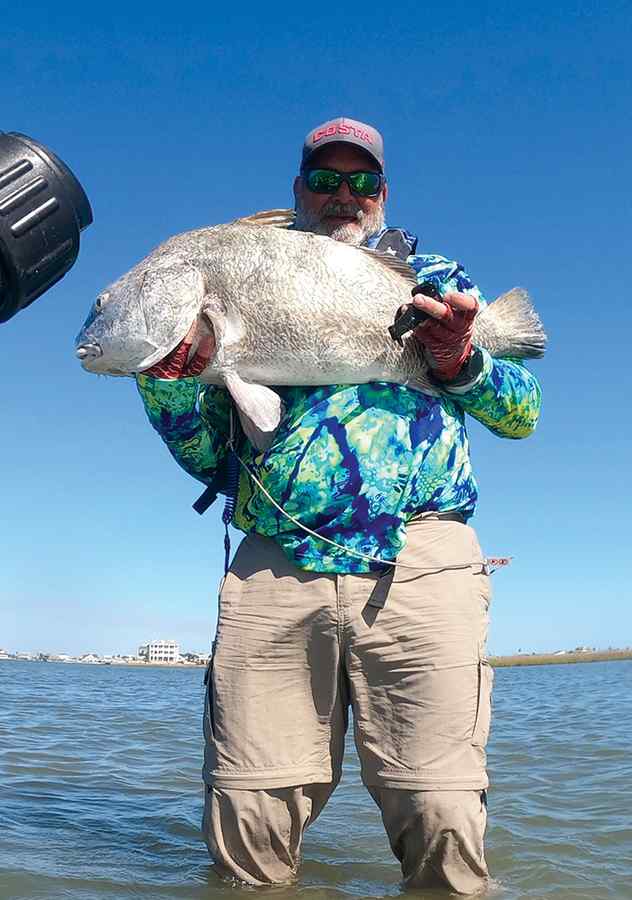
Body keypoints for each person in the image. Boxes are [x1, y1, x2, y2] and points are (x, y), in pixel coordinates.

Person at [135, 117, 541, 893]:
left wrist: (462, 361)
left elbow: (523, 413)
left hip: (422, 562)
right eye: (325, 180)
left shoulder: (434, 276)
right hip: (274, 571)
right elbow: (208, 458)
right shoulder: (241, 276)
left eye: (361, 181)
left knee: (441, 809)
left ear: (383, 194)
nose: (343, 195)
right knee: (248, 814)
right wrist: (171, 378)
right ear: (299, 189)